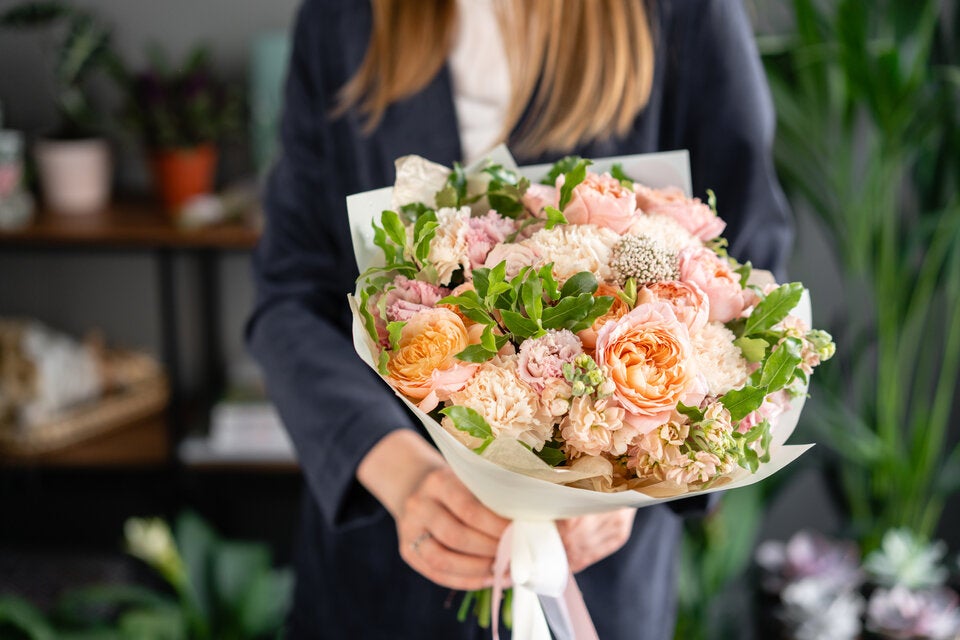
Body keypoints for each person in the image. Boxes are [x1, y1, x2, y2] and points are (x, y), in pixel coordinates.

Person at [247, 0, 792, 637]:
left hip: (599, 574)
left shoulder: (679, 13)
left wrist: (639, 475)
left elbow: (746, 271)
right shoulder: (345, 18)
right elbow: (292, 290)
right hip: (387, 564)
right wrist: (401, 471)